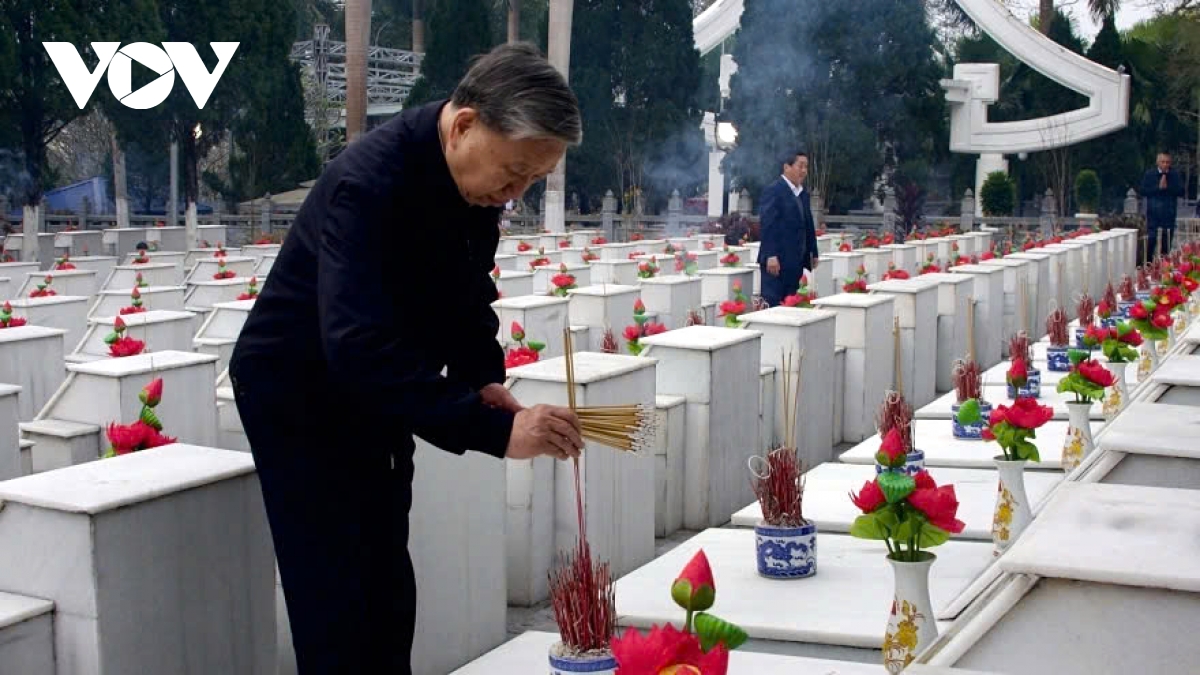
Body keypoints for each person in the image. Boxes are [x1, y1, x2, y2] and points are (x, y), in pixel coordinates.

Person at [228, 44, 584, 674]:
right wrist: (498, 433)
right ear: (466, 124)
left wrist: (483, 381)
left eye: (532, 179)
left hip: (375, 384)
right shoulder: (367, 184)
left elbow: (467, 293)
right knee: (335, 589)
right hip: (299, 393)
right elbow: (356, 346)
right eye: (514, 171)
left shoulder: (476, 189)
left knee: (387, 574)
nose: (516, 191)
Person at [757, 151, 819, 307]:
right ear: (787, 167)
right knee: (774, 305)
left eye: (806, 167)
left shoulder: (801, 193)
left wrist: (813, 252)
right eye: (800, 166)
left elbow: (808, 225)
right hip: (776, 262)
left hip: (795, 260)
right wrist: (771, 255)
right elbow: (768, 225)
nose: (804, 171)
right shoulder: (774, 190)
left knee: (791, 302)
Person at [1140, 151, 1185, 258]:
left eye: (1167, 162)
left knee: (1167, 241)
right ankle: (1148, 263)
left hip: (1169, 212)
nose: (1165, 164)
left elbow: (1181, 191)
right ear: (1157, 162)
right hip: (1153, 212)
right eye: (1163, 162)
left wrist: (1167, 188)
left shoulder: (1175, 175)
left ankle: (1164, 265)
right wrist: (1158, 188)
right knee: (1151, 239)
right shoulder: (1149, 174)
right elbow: (1143, 191)